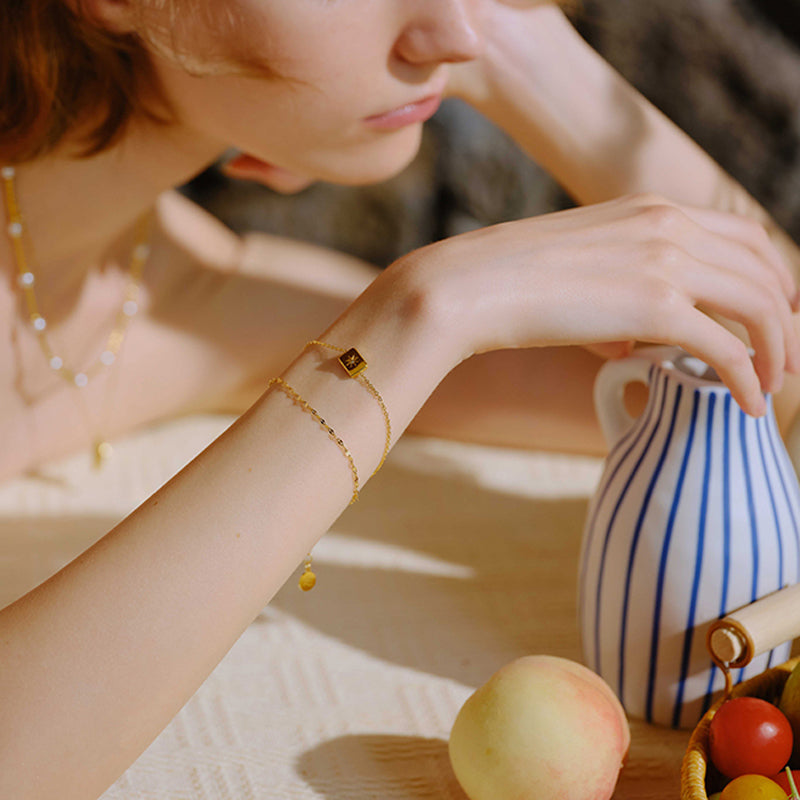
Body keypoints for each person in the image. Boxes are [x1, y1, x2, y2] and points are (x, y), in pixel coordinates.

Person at [1, 0, 799, 796]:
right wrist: (423, 313)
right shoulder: (209, 304)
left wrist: (517, 47)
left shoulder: (185, 293)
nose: (448, 33)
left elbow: (771, 385)